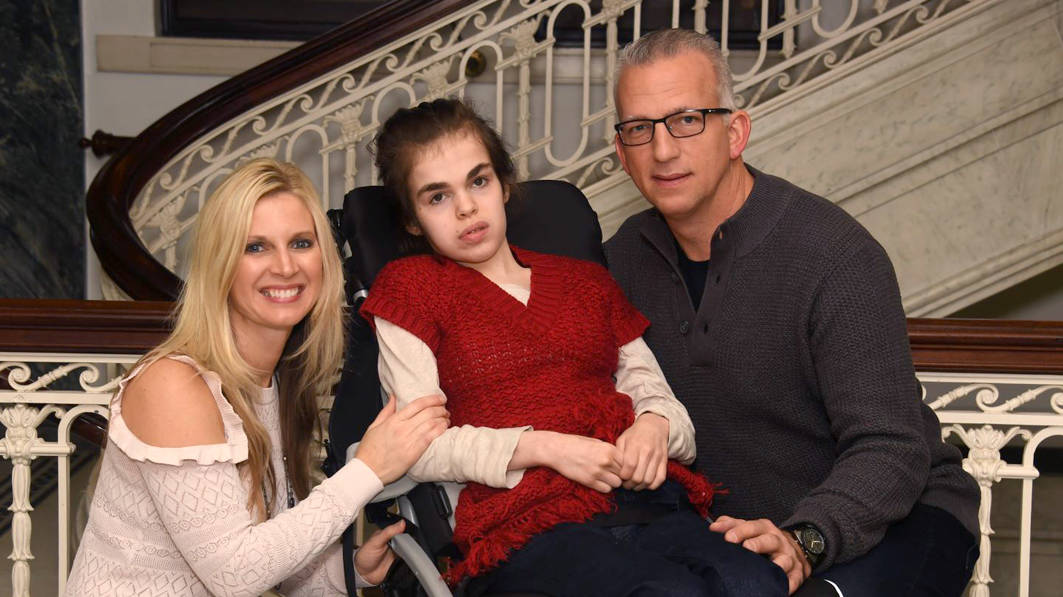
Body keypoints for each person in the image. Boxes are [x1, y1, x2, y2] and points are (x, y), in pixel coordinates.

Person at [604, 28, 981, 596]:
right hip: (735, 542)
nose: (662, 150)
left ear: (735, 132)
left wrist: (805, 538)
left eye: (686, 120)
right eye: (639, 129)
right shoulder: (617, 265)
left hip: (894, 518)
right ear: (621, 153)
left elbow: (890, 447)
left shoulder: (834, 255)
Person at [359, 98, 788, 596]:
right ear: (411, 219)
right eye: (437, 197)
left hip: (646, 501)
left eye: (478, 181)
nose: (466, 208)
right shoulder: (409, 290)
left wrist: (653, 426)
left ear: (502, 184)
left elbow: (660, 400)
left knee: (756, 581)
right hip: (525, 529)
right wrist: (548, 449)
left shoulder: (586, 282)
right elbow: (419, 446)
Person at [67, 159, 449, 596]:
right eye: (256, 247)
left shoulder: (272, 384)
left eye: (301, 243)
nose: (285, 267)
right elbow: (234, 575)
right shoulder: (173, 385)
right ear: (221, 265)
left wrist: (353, 572)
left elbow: (273, 569)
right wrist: (369, 470)